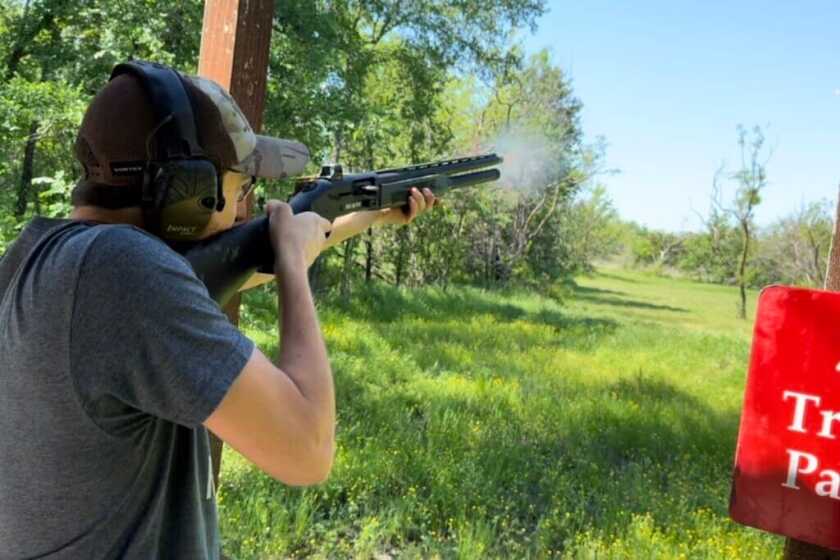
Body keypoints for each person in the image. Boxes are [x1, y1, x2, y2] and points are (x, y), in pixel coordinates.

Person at [0, 61, 436, 559]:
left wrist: (367, 213)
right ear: (187, 192)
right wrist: (293, 264)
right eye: (239, 188)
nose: (246, 208)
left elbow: (232, 267)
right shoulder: (125, 271)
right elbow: (307, 451)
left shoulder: (40, 259)